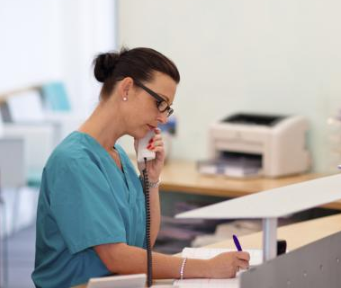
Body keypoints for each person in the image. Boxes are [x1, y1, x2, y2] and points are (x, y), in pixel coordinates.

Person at [32, 47, 250, 287]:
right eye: (160, 103)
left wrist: (151, 179)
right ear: (126, 88)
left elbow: (144, 244)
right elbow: (117, 257)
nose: (163, 119)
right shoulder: (74, 162)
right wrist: (206, 268)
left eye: (167, 108)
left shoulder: (119, 157)